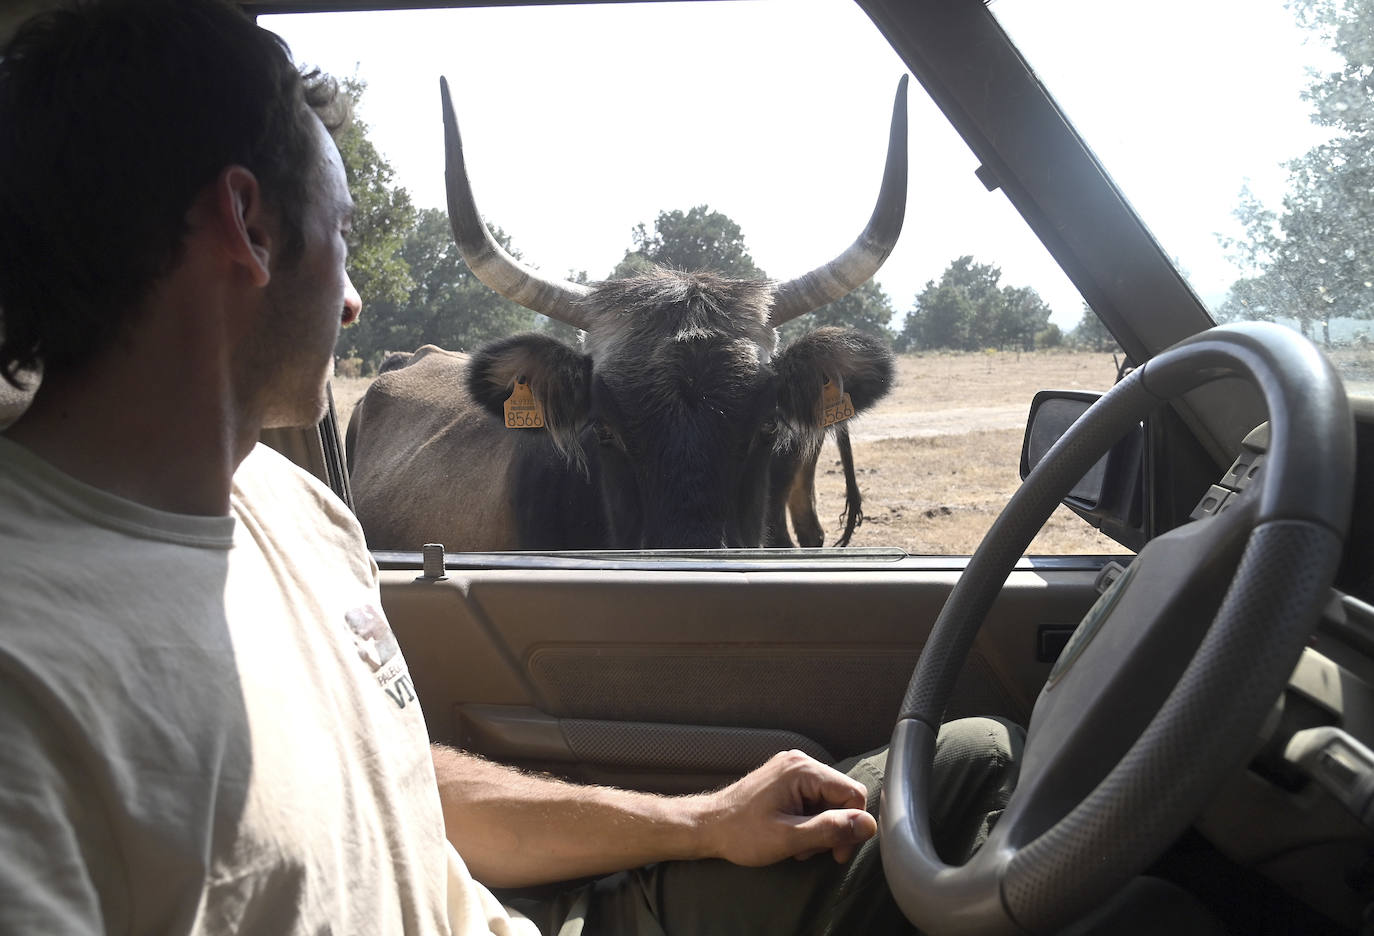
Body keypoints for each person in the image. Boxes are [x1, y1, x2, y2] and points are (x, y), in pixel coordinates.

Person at [0, 1, 1022, 933]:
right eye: (347, 236)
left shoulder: (300, 515)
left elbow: (393, 780)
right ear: (251, 228)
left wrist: (700, 818)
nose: (356, 300)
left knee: (965, 757)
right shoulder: (25, 670)